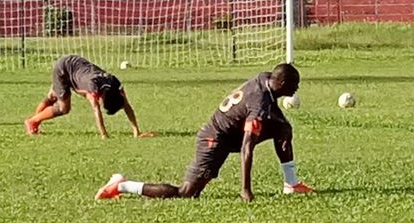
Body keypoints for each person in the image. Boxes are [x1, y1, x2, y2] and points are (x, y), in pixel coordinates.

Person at [95, 63, 314, 202]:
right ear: (282, 83)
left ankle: (291, 184)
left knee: (283, 128)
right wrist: (245, 189)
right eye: (294, 85)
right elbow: (248, 147)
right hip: (215, 139)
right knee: (187, 193)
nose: (296, 90)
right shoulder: (259, 102)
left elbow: (266, 109)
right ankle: (122, 185)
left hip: (230, 132)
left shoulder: (265, 79)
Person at [25, 54, 151, 139]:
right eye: (102, 103)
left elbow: (127, 106)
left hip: (76, 66)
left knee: (53, 96)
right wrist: (104, 135)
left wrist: (136, 131)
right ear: (104, 97)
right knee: (63, 108)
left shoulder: (115, 84)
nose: (100, 103)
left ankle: (34, 123)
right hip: (64, 69)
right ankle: (32, 122)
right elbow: (96, 110)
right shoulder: (93, 87)